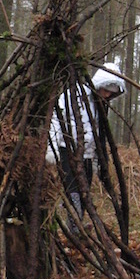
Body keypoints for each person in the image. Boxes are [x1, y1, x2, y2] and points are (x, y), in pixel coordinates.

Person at [46, 62, 126, 226]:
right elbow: (56, 119)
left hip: (87, 155)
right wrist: (52, 148)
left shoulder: (100, 105)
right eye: (105, 90)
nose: (106, 95)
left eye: (110, 94)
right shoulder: (72, 95)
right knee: (73, 189)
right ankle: (74, 225)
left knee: (84, 190)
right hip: (68, 150)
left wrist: (97, 159)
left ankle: (77, 222)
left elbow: (99, 135)